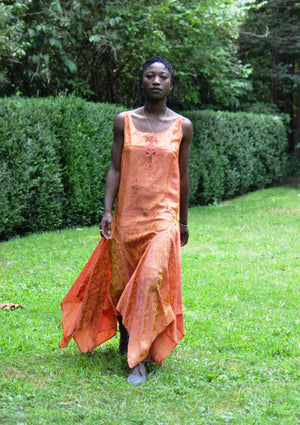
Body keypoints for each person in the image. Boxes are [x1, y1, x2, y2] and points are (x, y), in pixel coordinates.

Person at [59, 56, 193, 386]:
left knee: (149, 281)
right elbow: (115, 169)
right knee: (123, 282)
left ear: (172, 84)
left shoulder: (182, 126)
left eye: (163, 77)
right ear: (141, 82)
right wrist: (107, 211)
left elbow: (183, 174)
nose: (156, 81)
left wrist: (183, 223)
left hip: (163, 217)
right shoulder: (124, 121)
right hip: (127, 216)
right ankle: (127, 333)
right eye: (150, 76)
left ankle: (139, 357)